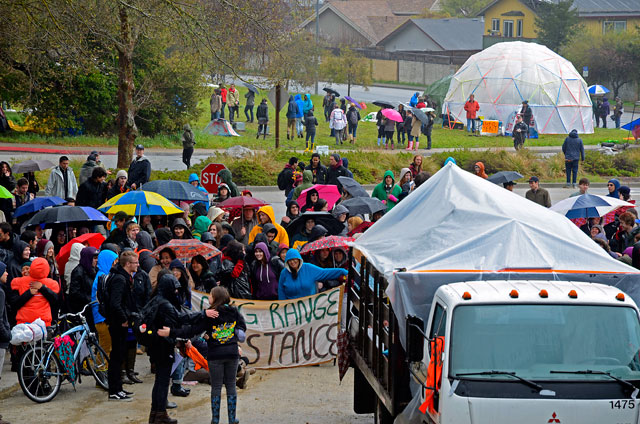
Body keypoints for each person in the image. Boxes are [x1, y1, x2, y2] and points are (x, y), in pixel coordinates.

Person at [152, 272, 217, 424]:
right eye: (174, 289)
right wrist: (203, 314)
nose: (176, 292)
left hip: (159, 344)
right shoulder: (164, 303)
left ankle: (156, 414)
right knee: (162, 382)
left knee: (160, 381)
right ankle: (159, 414)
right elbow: (182, 318)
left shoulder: (157, 300)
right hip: (163, 345)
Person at [106, 251, 139, 401]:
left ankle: (118, 388)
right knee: (117, 357)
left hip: (119, 321)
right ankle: (114, 390)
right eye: (135, 262)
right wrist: (124, 318)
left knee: (119, 356)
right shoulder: (120, 279)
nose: (138, 265)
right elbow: (115, 303)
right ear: (127, 264)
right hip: (118, 323)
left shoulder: (122, 277)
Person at [278, 249, 348, 300]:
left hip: (309, 308)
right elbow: (281, 291)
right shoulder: (284, 273)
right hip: (291, 310)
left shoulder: (309, 268)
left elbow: (325, 272)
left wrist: (343, 271)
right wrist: (282, 307)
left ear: (299, 259)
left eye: (294, 259)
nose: (292, 262)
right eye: (290, 260)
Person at [11, 257, 60, 326]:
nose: (25, 272)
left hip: (40, 323)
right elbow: (14, 303)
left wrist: (42, 288)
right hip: (27, 323)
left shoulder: (19, 282)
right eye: (23, 270)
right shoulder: (20, 282)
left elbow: (55, 300)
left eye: (27, 269)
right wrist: (29, 293)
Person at [68, 246, 98, 313]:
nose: (97, 260)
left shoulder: (94, 270)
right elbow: (74, 292)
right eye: (95, 258)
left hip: (92, 306)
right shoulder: (78, 271)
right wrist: (89, 299)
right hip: (82, 309)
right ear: (88, 258)